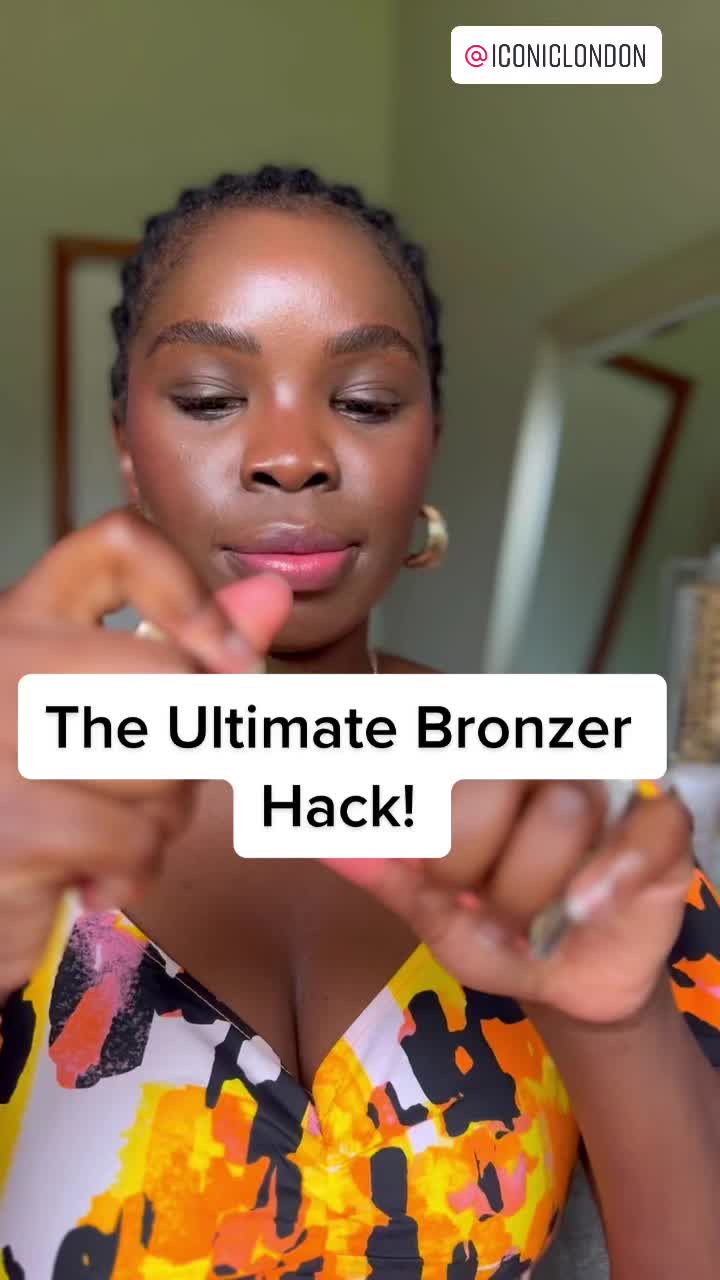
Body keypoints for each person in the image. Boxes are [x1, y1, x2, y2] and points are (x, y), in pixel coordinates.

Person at [0, 165, 719, 1280]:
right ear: (129, 447)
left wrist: (614, 1023)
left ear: (426, 444)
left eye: (368, 402)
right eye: (210, 397)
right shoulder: (21, 794)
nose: (293, 455)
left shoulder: (571, 809)